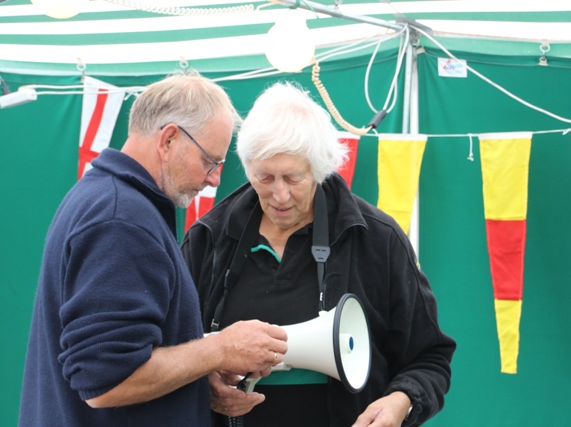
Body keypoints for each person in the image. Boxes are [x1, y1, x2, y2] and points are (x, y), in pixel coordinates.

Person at [18, 70, 288, 427]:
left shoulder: (104, 198)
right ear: (169, 139)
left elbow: (120, 360)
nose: (214, 179)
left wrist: (194, 376)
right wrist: (219, 349)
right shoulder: (121, 219)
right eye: (209, 161)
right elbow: (106, 380)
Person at [181, 82, 456, 427]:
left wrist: (400, 402)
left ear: (319, 168)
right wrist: (200, 379)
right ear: (248, 167)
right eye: (264, 177)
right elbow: (170, 354)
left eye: (293, 178)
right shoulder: (208, 238)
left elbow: (429, 358)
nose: (280, 194)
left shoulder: (377, 240)